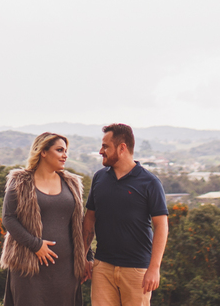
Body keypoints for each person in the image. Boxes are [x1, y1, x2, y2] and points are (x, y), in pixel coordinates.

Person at [82, 124, 169, 306]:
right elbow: (90, 219)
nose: (101, 151)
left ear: (122, 148)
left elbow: (161, 226)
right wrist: (83, 256)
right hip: (102, 267)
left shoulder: (150, 182)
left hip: (137, 270)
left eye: (105, 146)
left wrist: (154, 268)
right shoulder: (99, 178)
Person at [0, 132, 90, 306]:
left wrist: (88, 256)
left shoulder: (72, 183)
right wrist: (36, 245)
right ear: (43, 151)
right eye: (59, 150)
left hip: (66, 269)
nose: (65, 155)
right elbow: (8, 218)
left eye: (66, 151)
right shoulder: (20, 182)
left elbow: (80, 224)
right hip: (29, 268)